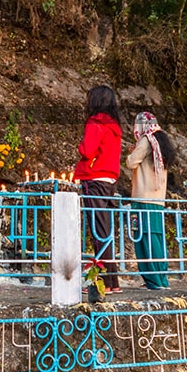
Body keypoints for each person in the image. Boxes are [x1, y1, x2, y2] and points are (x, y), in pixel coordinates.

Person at [75, 86, 123, 293]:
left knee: (98, 231)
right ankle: (112, 281)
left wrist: (80, 145)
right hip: (109, 178)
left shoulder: (96, 123)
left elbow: (87, 150)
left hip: (94, 177)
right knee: (105, 230)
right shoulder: (114, 126)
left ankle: (101, 281)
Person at [126, 112, 177, 290]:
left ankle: (152, 280)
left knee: (144, 239)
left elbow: (131, 162)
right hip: (157, 200)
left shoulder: (146, 140)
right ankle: (161, 278)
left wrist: (131, 153)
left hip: (143, 198)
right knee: (156, 238)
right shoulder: (161, 141)